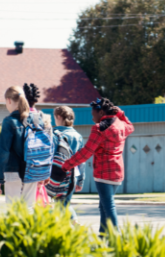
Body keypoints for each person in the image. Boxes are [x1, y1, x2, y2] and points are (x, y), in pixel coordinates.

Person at [61, 98, 134, 233]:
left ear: (101, 113)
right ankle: (102, 239)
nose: (91, 116)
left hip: (103, 174)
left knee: (109, 207)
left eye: (93, 113)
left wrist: (67, 165)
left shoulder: (99, 128)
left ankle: (116, 241)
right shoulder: (121, 125)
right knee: (104, 207)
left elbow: (86, 152)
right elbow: (130, 126)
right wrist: (120, 113)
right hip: (117, 174)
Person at [0, 86, 39, 206]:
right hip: (32, 170)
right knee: (29, 208)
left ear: (9, 100)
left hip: (13, 171)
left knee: (13, 210)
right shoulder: (36, 119)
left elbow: (4, 151)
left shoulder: (9, 121)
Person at [52, 105, 85, 211]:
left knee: (60, 207)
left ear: (58, 117)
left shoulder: (54, 134)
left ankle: (73, 222)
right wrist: (80, 180)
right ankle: (71, 223)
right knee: (65, 205)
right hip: (73, 175)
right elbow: (81, 161)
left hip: (56, 175)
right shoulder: (78, 136)